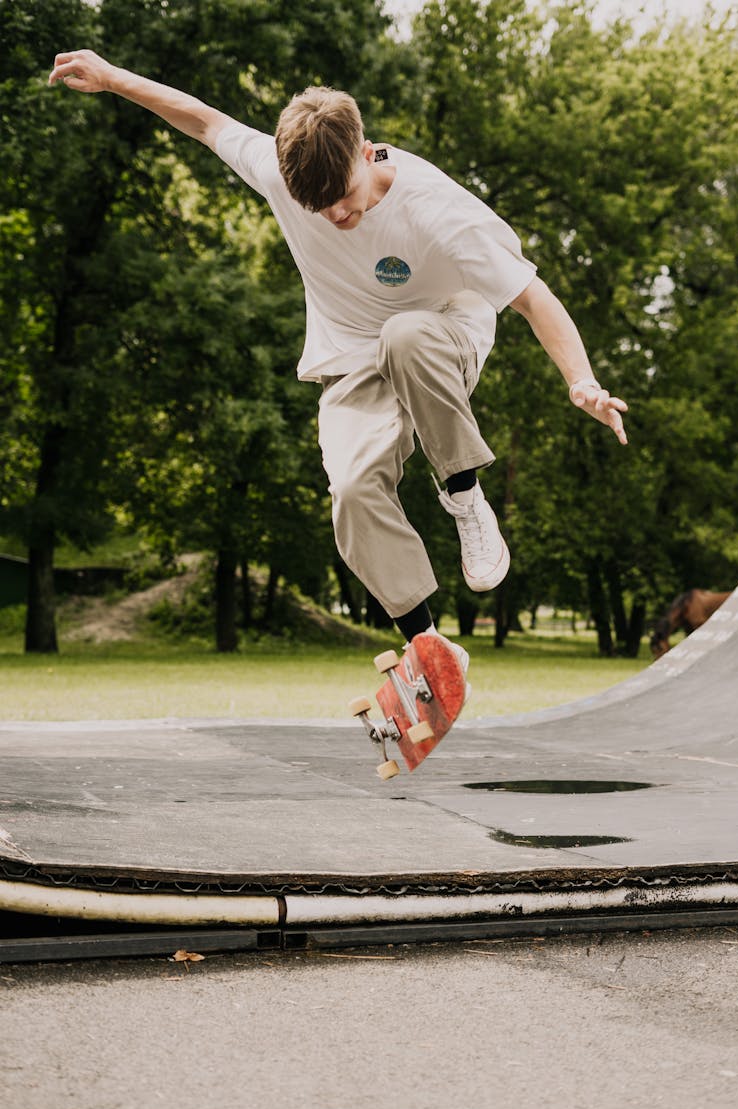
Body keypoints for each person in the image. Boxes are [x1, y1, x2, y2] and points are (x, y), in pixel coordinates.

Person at [48, 49, 628, 668]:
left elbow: (533, 298)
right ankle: (428, 647)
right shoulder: (283, 172)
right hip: (351, 358)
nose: (335, 215)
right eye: (317, 207)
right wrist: (113, 80)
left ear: (366, 151)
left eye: (344, 198)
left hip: (442, 334)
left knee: (404, 335)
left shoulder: (438, 209)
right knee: (351, 491)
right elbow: (204, 122)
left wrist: (581, 380)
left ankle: (464, 494)